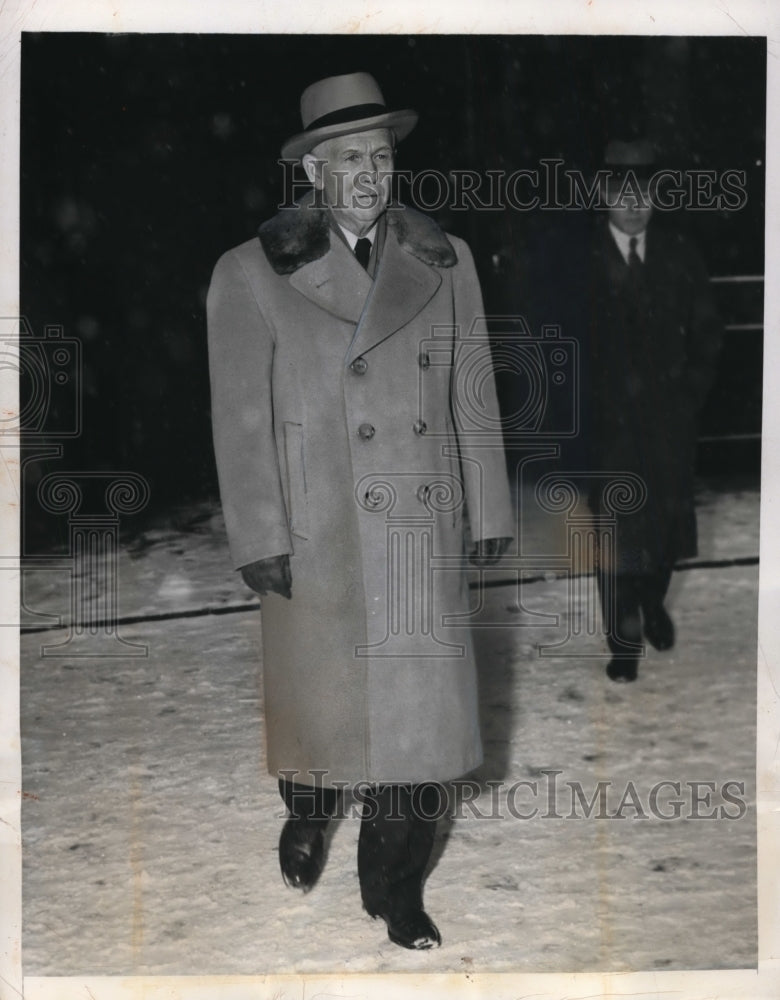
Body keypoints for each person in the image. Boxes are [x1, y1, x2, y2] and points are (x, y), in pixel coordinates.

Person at [206, 72, 514, 949]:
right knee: (323, 713)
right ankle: (307, 810)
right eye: (349, 159)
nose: (370, 175)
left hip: (420, 522)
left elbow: (473, 388)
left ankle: (395, 884)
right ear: (313, 173)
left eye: (380, 157)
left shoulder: (442, 260)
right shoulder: (251, 273)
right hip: (319, 525)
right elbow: (239, 417)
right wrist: (259, 533)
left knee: (422, 729)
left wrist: (487, 504)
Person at [584, 138, 723, 682]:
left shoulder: (682, 255)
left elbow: (710, 335)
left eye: (644, 191)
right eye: (621, 191)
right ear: (602, 193)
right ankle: (624, 641)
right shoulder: (581, 261)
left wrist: (688, 396)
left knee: (664, 531)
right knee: (615, 537)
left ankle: (653, 598)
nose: (634, 203)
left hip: (669, 424)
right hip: (609, 429)